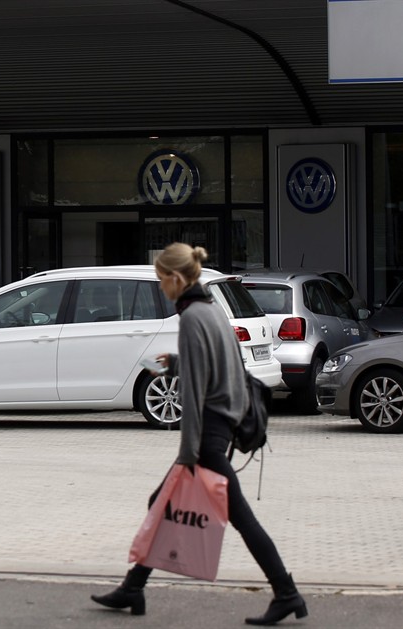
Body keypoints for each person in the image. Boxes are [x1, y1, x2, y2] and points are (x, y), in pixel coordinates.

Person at [91, 243, 307, 626]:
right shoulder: (212, 309)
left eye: (161, 281)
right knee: (162, 501)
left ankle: (287, 593)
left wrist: (188, 454)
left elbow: (193, 393)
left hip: (206, 436)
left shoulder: (192, 318)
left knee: (240, 518)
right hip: (219, 427)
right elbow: (219, 362)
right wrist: (175, 362)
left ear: (176, 279)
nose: (160, 288)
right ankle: (134, 587)